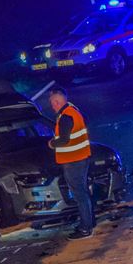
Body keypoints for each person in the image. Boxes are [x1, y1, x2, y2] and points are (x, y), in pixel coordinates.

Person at [47, 86, 95, 240]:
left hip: (73, 161)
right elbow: (85, 121)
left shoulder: (65, 117)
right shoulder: (73, 109)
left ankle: (85, 228)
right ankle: (89, 222)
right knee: (83, 193)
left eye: (52, 103)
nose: (51, 106)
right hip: (82, 157)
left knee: (79, 194)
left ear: (57, 101)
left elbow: (64, 140)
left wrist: (52, 144)